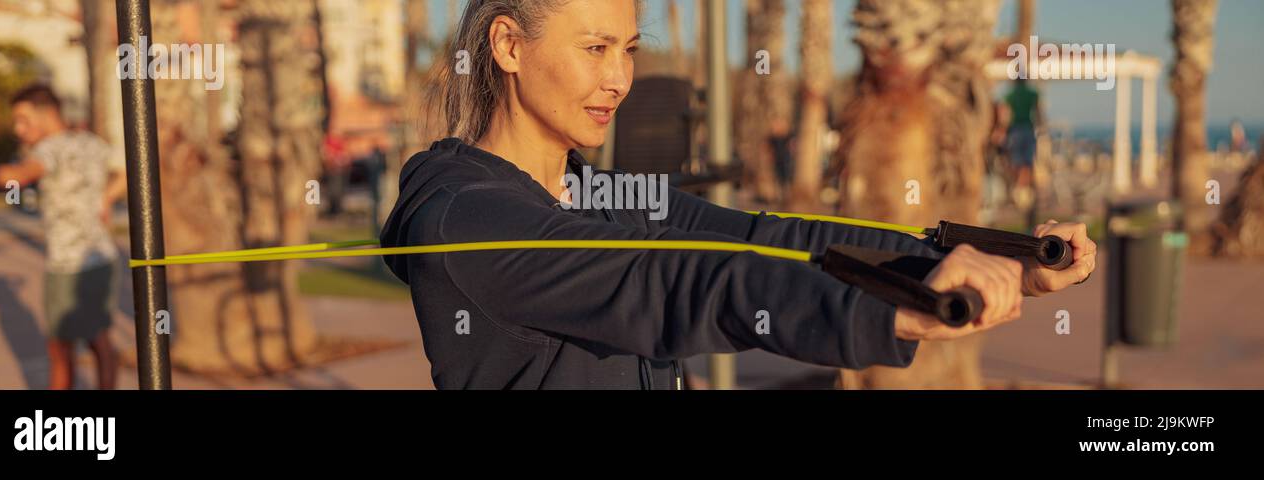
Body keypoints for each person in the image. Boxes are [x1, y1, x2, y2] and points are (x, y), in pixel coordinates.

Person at [381, 0, 1097, 390]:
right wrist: (891, 313)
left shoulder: (597, 190)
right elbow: (671, 282)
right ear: (507, 46)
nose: (619, 80)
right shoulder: (465, 217)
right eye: (595, 48)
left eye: (628, 50)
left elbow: (764, 239)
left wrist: (964, 257)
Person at [0, 84, 126, 390]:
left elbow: (19, 177)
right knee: (96, 339)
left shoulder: (48, 149)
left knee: (64, 347)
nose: (18, 129)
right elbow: (129, 170)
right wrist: (106, 197)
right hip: (101, 257)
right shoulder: (91, 143)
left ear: (47, 113)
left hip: (70, 262)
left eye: (23, 120)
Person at [1003, 78, 1043, 209]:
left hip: (1014, 130)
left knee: (1016, 162)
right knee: (1026, 162)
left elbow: (1006, 115)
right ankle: (1023, 192)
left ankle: (1019, 191)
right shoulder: (1032, 94)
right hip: (1027, 128)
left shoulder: (1009, 95)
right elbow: (1038, 114)